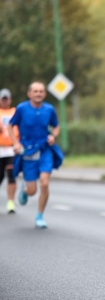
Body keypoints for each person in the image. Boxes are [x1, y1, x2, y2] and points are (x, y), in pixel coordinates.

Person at [7, 82, 64, 228]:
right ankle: (26, 190)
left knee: (45, 183)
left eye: (41, 91)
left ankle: (39, 216)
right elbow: (10, 125)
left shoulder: (49, 109)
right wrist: (15, 143)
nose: (38, 94)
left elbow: (56, 126)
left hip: (45, 150)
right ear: (29, 94)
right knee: (33, 191)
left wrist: (53, 135)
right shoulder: (21, 108)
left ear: (44, 94)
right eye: (35, 91)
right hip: (28, 152)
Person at [0, 88, 19, 213]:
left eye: (7, 99)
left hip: (12, 148)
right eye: (3, 99)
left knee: (11, 174)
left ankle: (11, 202)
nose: (5, 101)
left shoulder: (15, 112)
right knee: (0, 175)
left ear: (10, 100)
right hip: (0, 148)